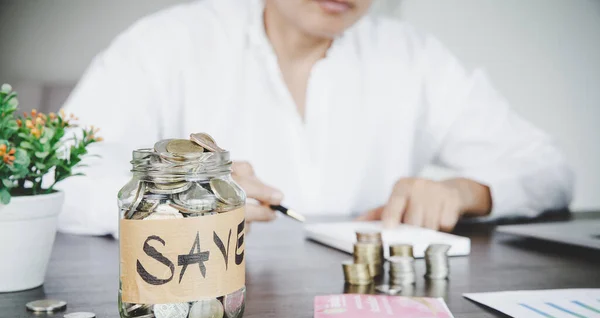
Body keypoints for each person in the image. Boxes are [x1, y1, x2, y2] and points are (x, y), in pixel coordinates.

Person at [58, 0, 573, 237]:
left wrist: (465, 191)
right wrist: (178, 199)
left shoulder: (415, 56)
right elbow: (60, 176)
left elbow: (547, 169)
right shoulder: (167, 41)